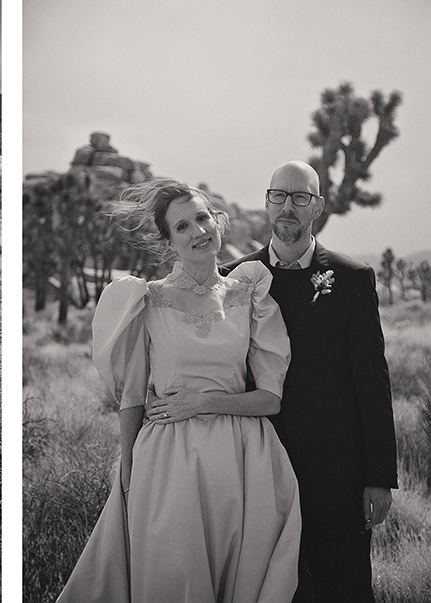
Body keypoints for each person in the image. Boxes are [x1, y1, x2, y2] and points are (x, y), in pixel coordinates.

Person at [58, 180, 302, 602]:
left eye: (203, 218)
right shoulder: (146, 301)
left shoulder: (252, 297)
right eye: (183, 226)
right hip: (169, 463)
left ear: (219, 221)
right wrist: (130, 469)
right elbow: (132, 397)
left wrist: (202, 402)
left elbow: (271, 399)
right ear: (169, 241)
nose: (198, 232)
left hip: (243, 462)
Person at [223, 160, 398, 602]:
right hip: (261, 466)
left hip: (337, 472)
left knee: (346, 586)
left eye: (300, 197)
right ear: (267, 202)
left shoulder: (353, 278)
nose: (288, 207)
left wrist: (378, 475)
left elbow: (372, 382)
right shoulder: (233, 281)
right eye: (279, 196)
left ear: (317, 206)